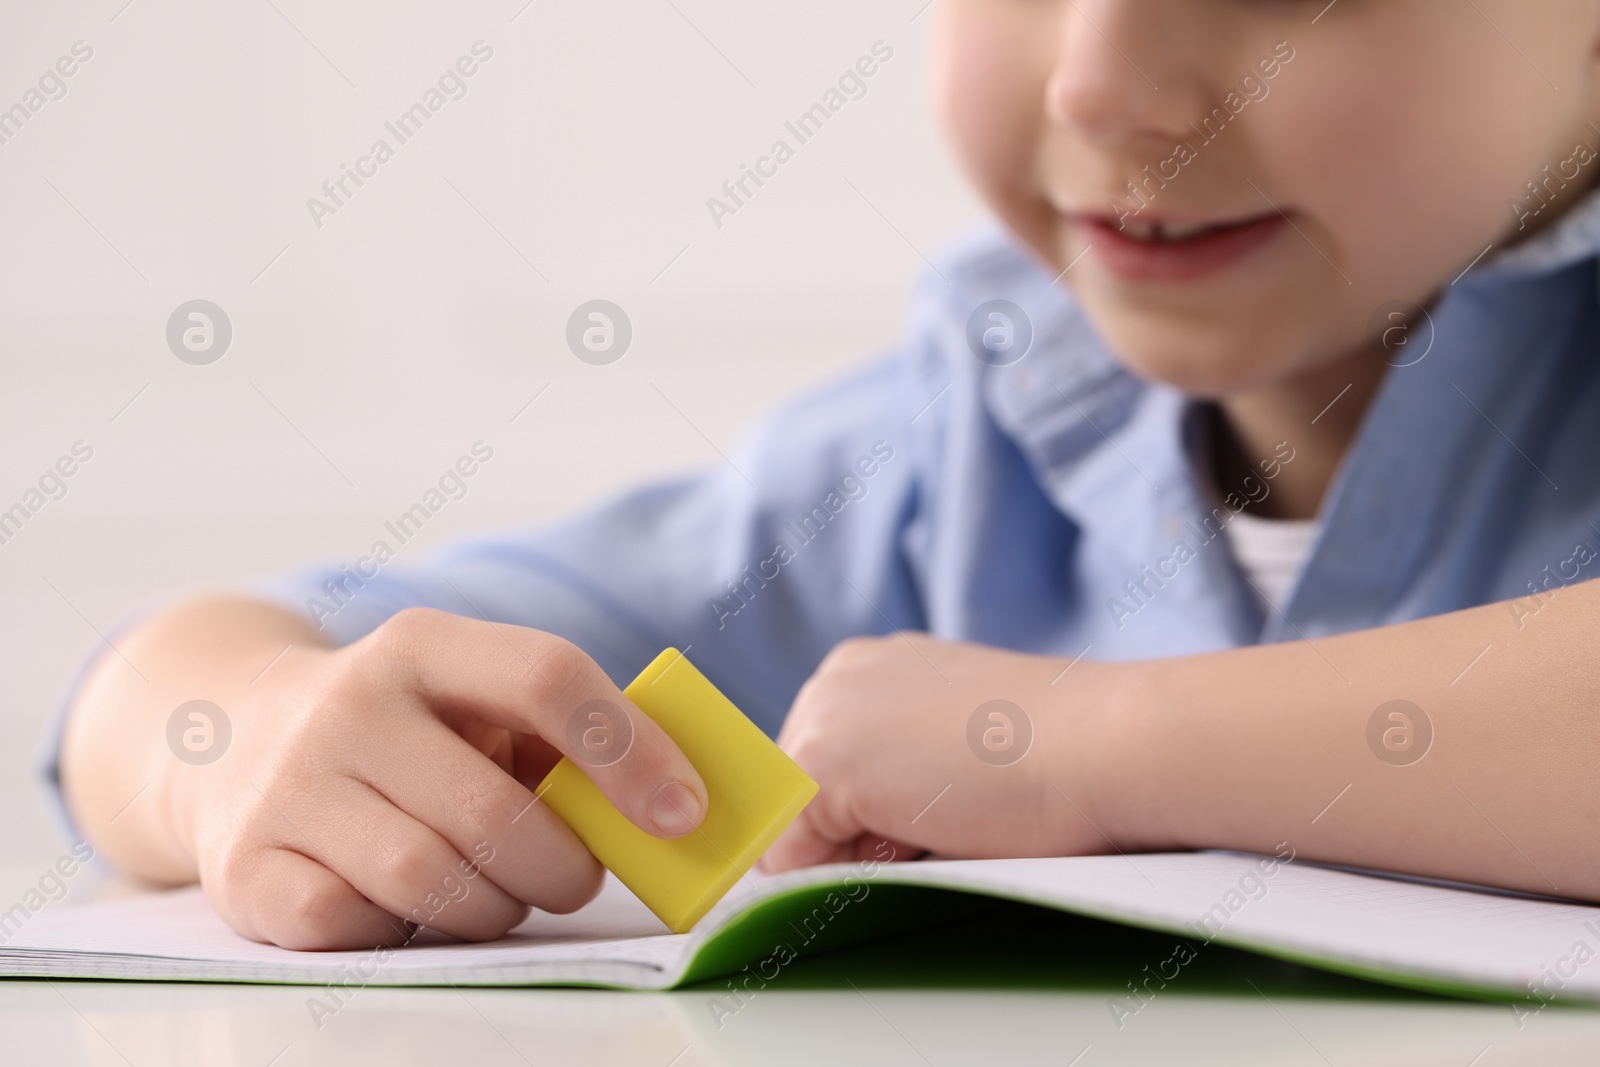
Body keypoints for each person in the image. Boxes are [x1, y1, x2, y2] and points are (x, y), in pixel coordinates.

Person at [47, 1, 1600, 949]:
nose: (1100, 86)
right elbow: (200, 667)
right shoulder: (959, 436)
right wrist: (240, 741)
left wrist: (1088, 749)